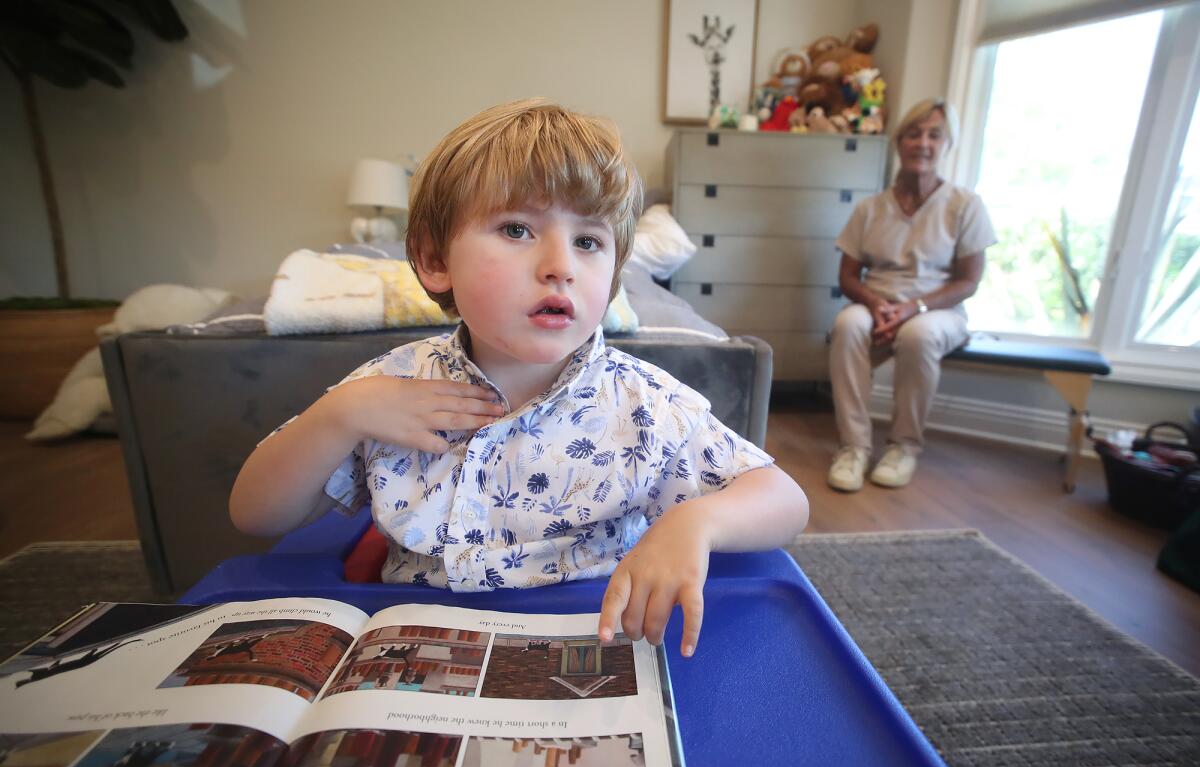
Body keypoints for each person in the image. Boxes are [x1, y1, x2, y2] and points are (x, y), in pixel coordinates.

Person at [229, 98, 809, 657]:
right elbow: (256, 515)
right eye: (516, 230)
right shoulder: (389, 387)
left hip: (592, 645)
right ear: (434, 261)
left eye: (588, 241)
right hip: (410, 651)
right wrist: (340, 414)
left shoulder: (643, 404)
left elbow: (786, 500)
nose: (561, 265)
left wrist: (697, 521)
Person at [827, 98, 997, 492]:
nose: (923, 143)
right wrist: (876, 304)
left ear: (946, 145)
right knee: (848, 323)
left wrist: (913, 309)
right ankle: (853, 447)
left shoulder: (964, 206)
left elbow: (969, 280)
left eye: (934, 135)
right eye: (914, 134)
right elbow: (848, 276)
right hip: (879, 303)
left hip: (938, 308)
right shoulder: (871, 209)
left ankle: (904, 446)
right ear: (899, 142)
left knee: (917, 334)